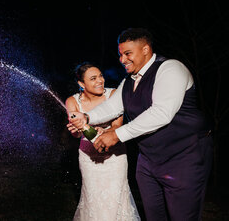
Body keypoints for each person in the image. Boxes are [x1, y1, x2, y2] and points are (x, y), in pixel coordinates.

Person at [68, 28, 213, 221]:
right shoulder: (129, 81)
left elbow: (161, 113)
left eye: (128, 53)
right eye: (120, 54)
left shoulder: (171, 69)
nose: (122, 59)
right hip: (148, 162)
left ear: (145, 49)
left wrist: (116, 135)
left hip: (184, 156)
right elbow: (112, 107)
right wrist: (86, 118)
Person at [65, 62, 140, 221]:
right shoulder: (72, 101)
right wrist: (77, 131)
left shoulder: (113, 95)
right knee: (93, 200)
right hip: (88, 158)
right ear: (81, 84)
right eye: (93, 78)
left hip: (115, 156)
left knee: (117, 196)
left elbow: (117, 126)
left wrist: (105, 131)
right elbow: (77, 135)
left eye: (100, 76)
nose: (100, 80)